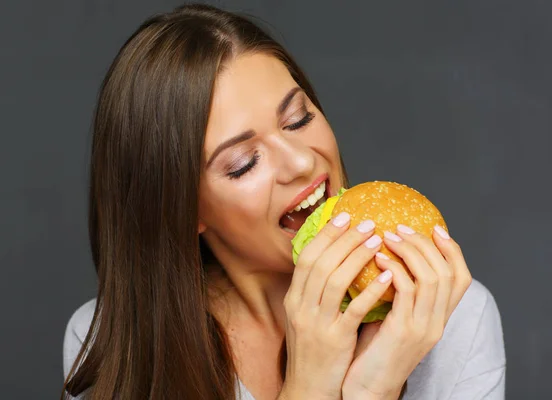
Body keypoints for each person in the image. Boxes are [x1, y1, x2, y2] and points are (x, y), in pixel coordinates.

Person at [61, 4, 506, 399]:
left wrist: (373, 389)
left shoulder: (452, 318)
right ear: (181, 207)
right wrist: (310, 389)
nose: (299, 161)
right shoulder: (112, 344)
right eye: (242, 163)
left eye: (298, 119)